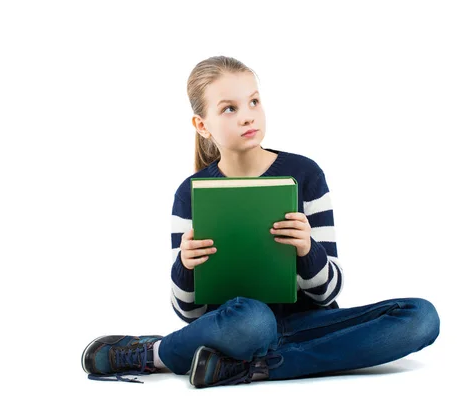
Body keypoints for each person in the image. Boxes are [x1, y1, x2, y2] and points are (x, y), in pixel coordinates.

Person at [81, 55, 440, 388]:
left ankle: (249, 367)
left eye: (254, 101)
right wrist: (185, 265)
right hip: (239, 326)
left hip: (310, 323)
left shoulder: (305, 174)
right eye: (229, 109)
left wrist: (307, 249)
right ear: (202, 125)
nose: (248, 116)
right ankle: (154, 354)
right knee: (253, 319)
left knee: (421, 318)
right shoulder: (191, 193)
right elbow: (189, 313)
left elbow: (329, 292)